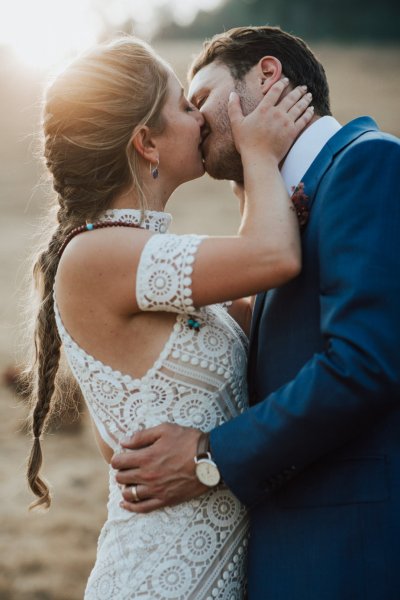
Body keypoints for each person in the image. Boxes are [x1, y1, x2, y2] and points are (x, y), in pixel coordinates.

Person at [112, 27, 400, 599]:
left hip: (349, 554)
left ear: (266, 75)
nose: (195, 122)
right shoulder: (291, 205)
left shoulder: (369, 164)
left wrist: (208, 457)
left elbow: (365, 363)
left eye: (202, 99)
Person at [26, 36, 313, 598]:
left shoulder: (149, 260)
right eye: (186, 105)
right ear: (146, 143)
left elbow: (264, 316)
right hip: (156, 582)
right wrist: (256, 154)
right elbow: (273, 256)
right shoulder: (95, 256)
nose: (202, 118)